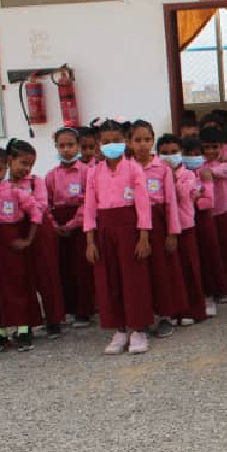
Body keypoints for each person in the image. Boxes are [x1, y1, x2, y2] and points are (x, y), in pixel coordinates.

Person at [84, 118, 155, 356]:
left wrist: (143, 236)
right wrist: (90, 241)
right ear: (99, 144)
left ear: (124, 141)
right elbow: (90, 208)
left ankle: (138, 329)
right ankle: (120, 329)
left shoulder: (133, 168)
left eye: (116, 140)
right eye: (106, 141)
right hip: (105, 230)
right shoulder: (94, 172)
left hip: (129, 229)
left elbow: (143, 205)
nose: (111, 145)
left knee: (134, 279)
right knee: (110, 280)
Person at [129, 120, 188, 338]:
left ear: (153, 141)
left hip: (159, 224)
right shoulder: (126, 167)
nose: (142, 144)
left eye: (147, 139)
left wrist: (172, 233)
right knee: (138, 272)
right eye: (137, 140)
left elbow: (171, 202)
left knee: (162, 271)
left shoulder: (162, 169)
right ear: (129, 142)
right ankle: (143, 316)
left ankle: (165, 316)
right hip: (134, 224)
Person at [0, 145, 43, 351]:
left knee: (16, 286)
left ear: (6, 167)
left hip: (11, 244)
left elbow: (36, 214)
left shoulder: (15, 192)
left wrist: (28, 240)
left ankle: (23, 329)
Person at [6, 137, 67, 339]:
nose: (27, 169)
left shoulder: (35, 182)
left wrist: (20, 199)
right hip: (16, 231)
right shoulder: (1, 185)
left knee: (47, 274)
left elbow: (40, 206)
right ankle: (27, 322)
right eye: (23, 163)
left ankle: (54, 319)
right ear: (9, 160)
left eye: (31, 165)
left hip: (39, 230)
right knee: (22, 277)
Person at [47, 126, 95, 328]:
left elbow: (88, 201)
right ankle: (68, 308)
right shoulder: (51, 175)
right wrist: (54, 224)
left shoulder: (87, 172)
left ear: (78, 146)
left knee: (82, 268)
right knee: (63, 268)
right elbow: (47, 203)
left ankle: (84, 310)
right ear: (56, 147)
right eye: (62, 145)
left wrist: (73, 224)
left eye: (71, 145)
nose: (66, 149)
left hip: (80, 223)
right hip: (58, 224)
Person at [158, 134, 209, 325]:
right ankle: (173, 312)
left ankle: (193, 310)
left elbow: (181, 194)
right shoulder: (155, 173)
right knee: (171, 272)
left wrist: (172, 179)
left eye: (174, 152)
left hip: (185, 226)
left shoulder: (188, 174)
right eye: (165, 153)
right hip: (165, 229)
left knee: (189, 268)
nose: (169, 156)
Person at [180, 138, 224, 318]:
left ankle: (209, 297)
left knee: (206, 257)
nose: (193, 157)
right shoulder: (180, 173)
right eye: (188, 154)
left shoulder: (204, 173)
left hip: (202, 220)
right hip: (185, 221)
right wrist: (195, 196)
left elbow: (208, 202)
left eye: (197, 154)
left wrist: (193, 199)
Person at [201, 127, 227, 298]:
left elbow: (224, 169)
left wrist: (209, 172)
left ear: (221, 147)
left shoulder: (223, 163)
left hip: (224, 208)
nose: (211, 151)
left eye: (215, 147)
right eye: (207, 147)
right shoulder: (199, 164)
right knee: (213, 250)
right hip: (207, 211)